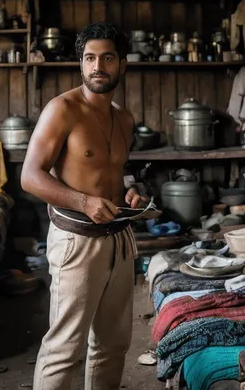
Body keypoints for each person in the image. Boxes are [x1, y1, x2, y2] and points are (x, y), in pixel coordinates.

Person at [21, 22, 149, 390]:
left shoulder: (125, 119)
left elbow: (113, 173)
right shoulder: (62, 109)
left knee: (113, 345)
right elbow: (30, 176)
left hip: (119, 239)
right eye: (90, 58)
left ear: (122, 64)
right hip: (76, 241)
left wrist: (132, 191)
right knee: (65, 348)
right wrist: (83, 201)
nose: (98, 66)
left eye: (107, 58)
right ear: (81, 65)